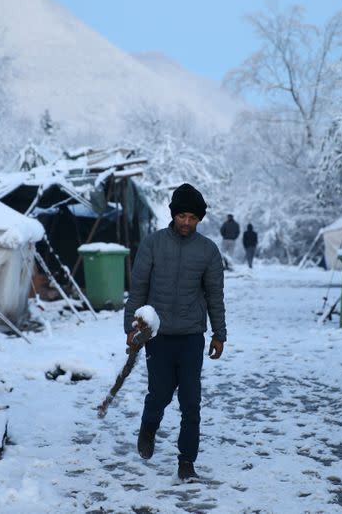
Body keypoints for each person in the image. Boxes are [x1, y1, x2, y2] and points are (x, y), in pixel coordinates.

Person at [123, 182, 227, 481]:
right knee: (159, 394)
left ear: (199, 219)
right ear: (173, 214)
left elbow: (214, 296)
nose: (186, 222)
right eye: (181, 215)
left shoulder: (208, 251)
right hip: (159, 336)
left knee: (191, 401)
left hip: (192, 337)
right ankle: (148, 427)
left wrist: (219, 334)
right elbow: (139, 287)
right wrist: (132, 327)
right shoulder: (153, 244)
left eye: (192, 217)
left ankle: (186, 463)